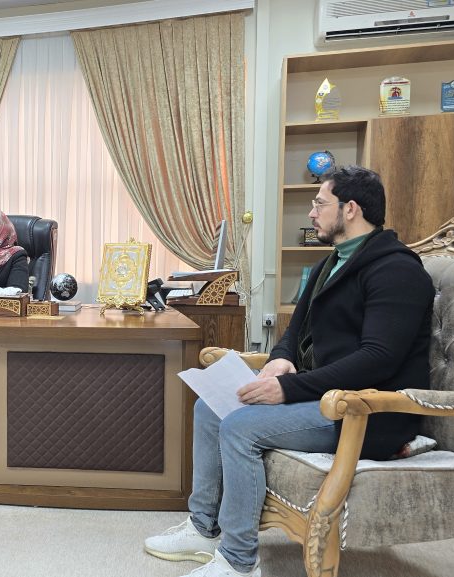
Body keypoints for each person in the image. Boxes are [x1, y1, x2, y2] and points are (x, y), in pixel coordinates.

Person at [144, 166, 434, 577]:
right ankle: (203, 527)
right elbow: (293, 332)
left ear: (351, 209)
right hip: (324, 396)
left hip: (366, 411)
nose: (312, 213)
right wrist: (279, 359)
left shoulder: (397, 270)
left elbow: (378, 358)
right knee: (210, 409)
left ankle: (239, 560)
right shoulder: (329, 264)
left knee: (240, 426)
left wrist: (289, 388)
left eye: (320, 203)